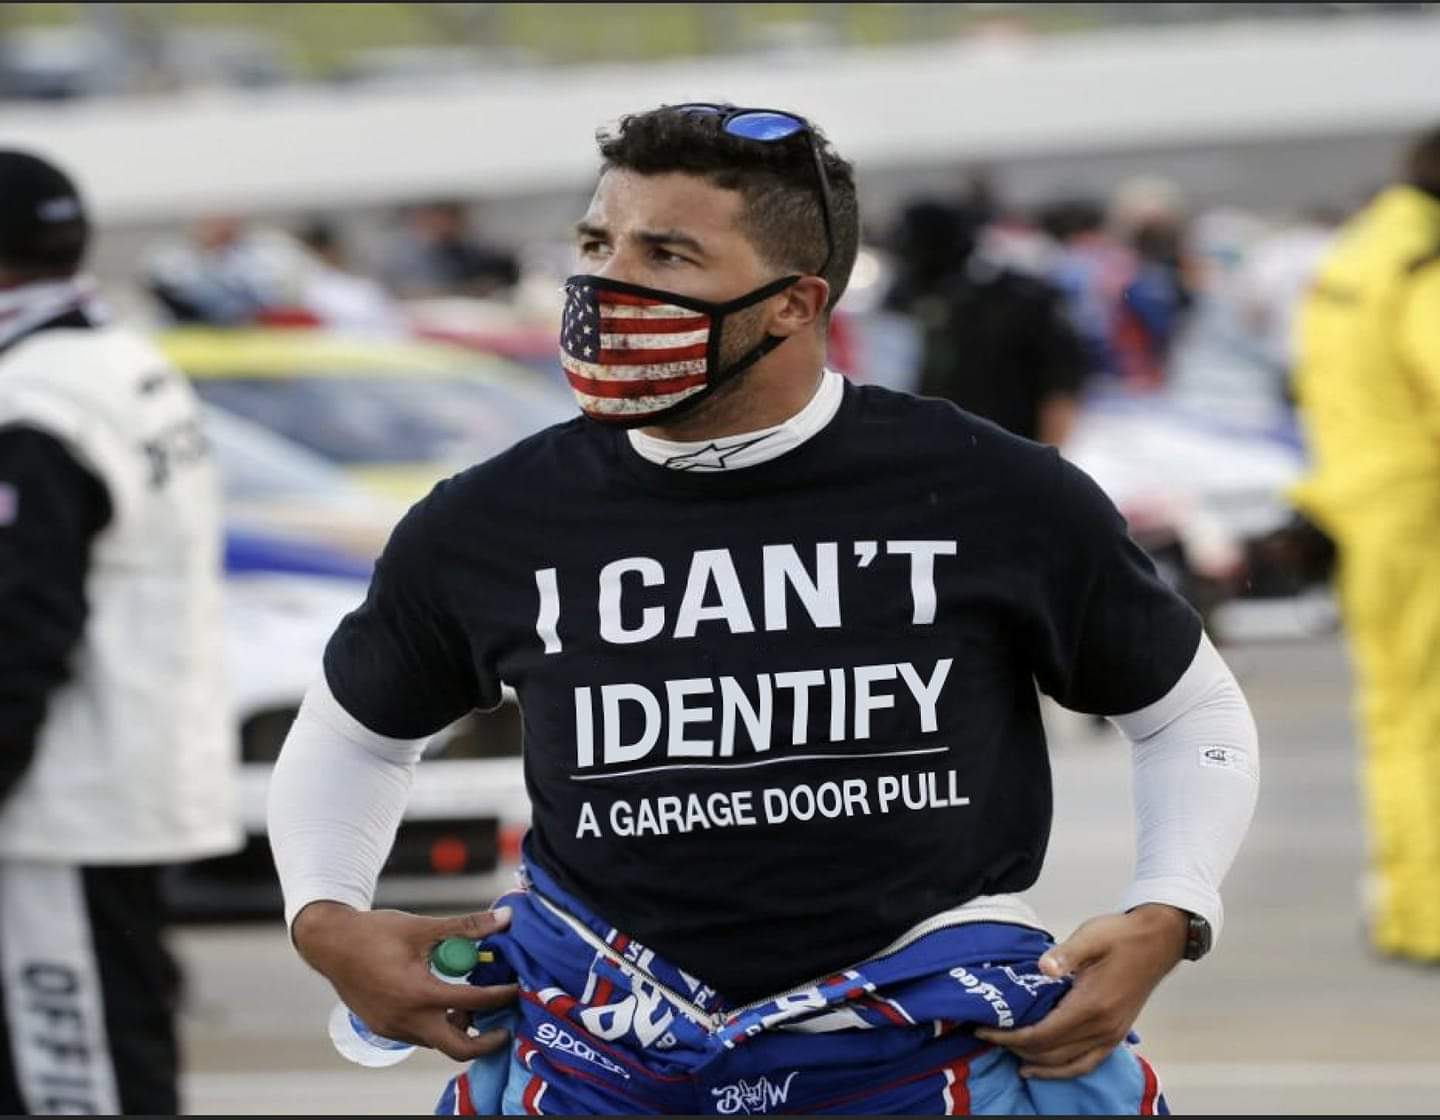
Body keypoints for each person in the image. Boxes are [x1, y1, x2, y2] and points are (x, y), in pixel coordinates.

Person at [268, 104, 1259, 1114]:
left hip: (931, 1060)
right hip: (598, 1066)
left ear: (794, 303)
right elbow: (354, 736)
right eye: (597, 244)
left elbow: (1190, 712)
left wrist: (1171, 909)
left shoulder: (991, 490)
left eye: (666, 255)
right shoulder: (489, 519)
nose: (607, 285)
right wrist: (326, 920)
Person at [0, 151, 239, 1114]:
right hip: (133, 774)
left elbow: (22, 625)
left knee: (76, 1079)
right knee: (119, 1047)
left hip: (59, 807)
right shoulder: (124, 360)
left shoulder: (32, 401)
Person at [1289, 124, 1440, 965]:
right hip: (1421, 512)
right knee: (1426, 721)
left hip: (1362, 507)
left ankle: (1411, 905)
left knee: (1397, 719)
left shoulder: (1355, 254)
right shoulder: (1422, 264)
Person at [884, 198, 1089, 447]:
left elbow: (1060, 388)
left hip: (1005, 447)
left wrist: (1045, 456)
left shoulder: (1021, 299)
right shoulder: (907, 294)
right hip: (930, 447)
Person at [379, 199, 521, 299]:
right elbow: (404, 292)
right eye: (447, 215)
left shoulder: (469, 250)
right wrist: (465, 290)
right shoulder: (404, 254)